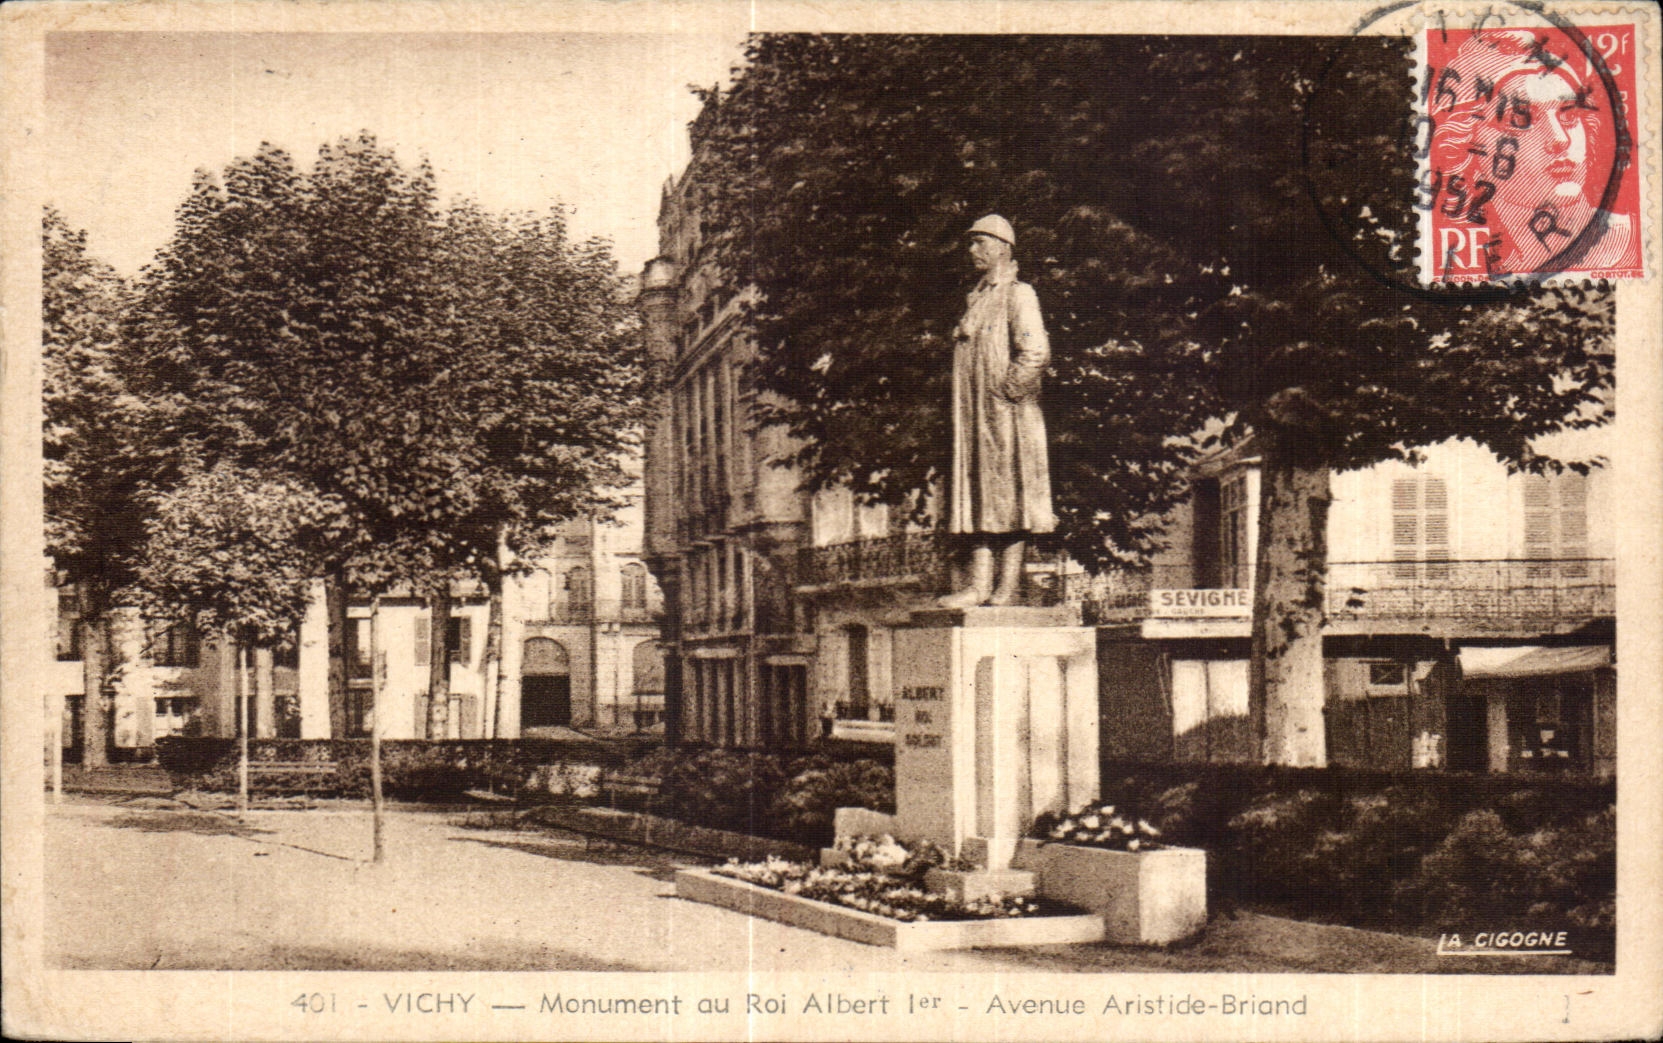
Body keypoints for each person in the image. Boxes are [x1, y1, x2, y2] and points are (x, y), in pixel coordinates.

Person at [1428, 28, 1635, 276]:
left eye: (1569, 115)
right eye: (1520, 119)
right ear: (1465, 146)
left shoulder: (1630, 240)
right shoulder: (1496, 266)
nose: (1560, 139)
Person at [938, 214, 1056, 609]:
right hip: (976, 421)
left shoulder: (1019, 294)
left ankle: (1007, 587)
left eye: (980, 242)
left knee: (1011, 497)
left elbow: (1035, 352)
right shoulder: (976, 299)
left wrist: (1005, 394)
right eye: (971, 243)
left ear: (1003, 248)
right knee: (979, 497)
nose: (973, 250)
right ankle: (979, 586)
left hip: (1008, 418)